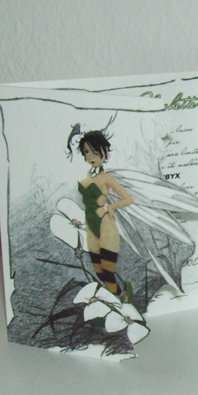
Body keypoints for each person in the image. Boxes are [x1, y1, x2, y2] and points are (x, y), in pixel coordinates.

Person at [68, 126, 135, 298]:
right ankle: (120, 299)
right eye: (87, 152)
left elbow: (128, 198)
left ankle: (123, 300)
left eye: (95, 152)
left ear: (104, 151)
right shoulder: (87, 176)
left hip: (105, 223)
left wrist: (111, 207)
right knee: (99, 272)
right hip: (90, 225)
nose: (91, 157)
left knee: (108, 270)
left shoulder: (107, 177)